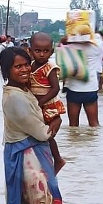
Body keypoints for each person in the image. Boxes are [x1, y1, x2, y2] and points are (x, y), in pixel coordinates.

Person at [0, 47, 63, 204]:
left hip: (28, 154)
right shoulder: (15, 97)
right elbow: (42, 133)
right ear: (7, 70)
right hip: (28, 159)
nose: (25, 69)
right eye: (18, 66)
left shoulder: (23, 89)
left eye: (27, 65)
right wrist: (57, 120)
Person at [29, 32, 66, 173]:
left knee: (47, 134)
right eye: (38, 51)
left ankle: (57, 159)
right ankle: (44, 161)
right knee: (37, 135)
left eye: (46, 51)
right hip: (36, 104)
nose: (42, 55)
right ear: (30, 51)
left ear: (51, 51)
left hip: (48, 105)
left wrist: (41, 103)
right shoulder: (30, 66)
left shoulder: (50, 68)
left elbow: (55, 88)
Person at [61, 35, 103, 127]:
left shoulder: (69, 43)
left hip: (73, 88)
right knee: (94, 124)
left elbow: (61, 48)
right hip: (90, 88)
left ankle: (73, 142)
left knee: (73, 126)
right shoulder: (96, 44)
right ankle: (95, 141)